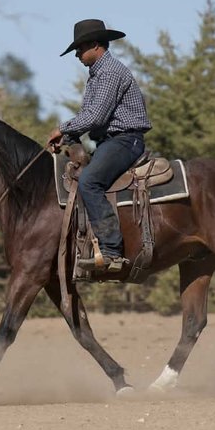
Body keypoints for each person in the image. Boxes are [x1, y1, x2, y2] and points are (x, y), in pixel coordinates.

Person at [46, 18, 152, 275]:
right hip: (111, 141)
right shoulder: (98, 74)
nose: (77, 55)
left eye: (79, 49)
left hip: (125, 140)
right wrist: (69, 138)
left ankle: (111, 251)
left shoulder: (110, 72)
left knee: (90, 182)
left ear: (95, 45)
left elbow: (95, 116)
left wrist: (63, 128)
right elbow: (90, 115)